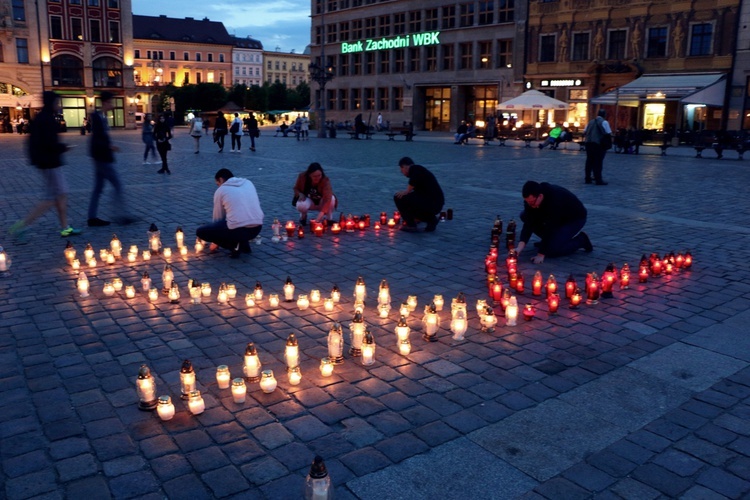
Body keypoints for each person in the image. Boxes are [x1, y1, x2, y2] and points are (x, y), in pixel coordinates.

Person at [8, 91, 82, 241]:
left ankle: (65, 227)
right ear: (52, 103)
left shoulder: (41, 117)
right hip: (50, 163)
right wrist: (64, 147)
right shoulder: (47, 119)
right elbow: (49, 144)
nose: (59, 105)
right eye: (57, 102)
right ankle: (21, 226)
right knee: (51, 198)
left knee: (60, 194)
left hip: (47, 162)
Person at [87, 91, 135, 226]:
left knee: (98, 188)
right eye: (110, 102)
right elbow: (96, 139)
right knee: (117, 185)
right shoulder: (97, 117)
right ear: (105, 103)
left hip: (100, 157)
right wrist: (109, 147)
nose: (112, 105)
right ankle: (121, 215)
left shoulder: (102, 117)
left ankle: (92, 217)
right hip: (102, 157)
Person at [515, 181, 593, 264]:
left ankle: (582, 240)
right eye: (527, 202)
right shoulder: (530, 201)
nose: (530, 205)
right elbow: (529, 221)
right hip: (557, 220)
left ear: (540, 196)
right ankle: (553, 241)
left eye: (532, 202)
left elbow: (551, 227)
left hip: (574, 219)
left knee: (552, 251)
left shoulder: (555, 200)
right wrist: (520, 247)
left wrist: (541, 254)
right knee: (523, 215)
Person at [196, 168, 264, 258]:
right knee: (240, 222)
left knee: (201, 231)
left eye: (217, 184)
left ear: (220, 179)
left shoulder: (221, 190)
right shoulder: (248, 182)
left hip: (238, 230)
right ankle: (243, 245)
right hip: (257, 227)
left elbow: (218, 218)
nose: (218, 186)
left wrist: (216, 241)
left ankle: (235, 247)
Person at [394, 156, 444, 233]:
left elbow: (413, 181)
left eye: (401, 170)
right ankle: (431, 220)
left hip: (432, 203)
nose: (402, 173)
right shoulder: (419, 170)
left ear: (405, 166)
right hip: (434, 203)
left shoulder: (415, 169)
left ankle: (411, 225)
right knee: (410, 201)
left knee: (398, 198)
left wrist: (406, 191)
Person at [583, 109, 612, 185]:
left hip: (588, 143)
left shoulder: (590, 122)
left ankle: (587, 178)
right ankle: (598, 179)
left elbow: (585, 131)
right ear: (604, 115)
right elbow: (608, 133)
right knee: (598, 162)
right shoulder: (604, 122)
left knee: (589, 161)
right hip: (598, 144)